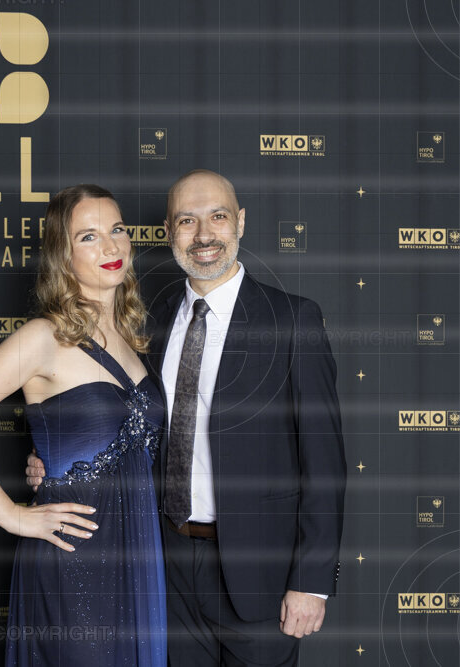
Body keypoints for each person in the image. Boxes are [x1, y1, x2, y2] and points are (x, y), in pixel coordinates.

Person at [28, 170, 346, 666]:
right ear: (168, 231)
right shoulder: (147, 321)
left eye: (218, 217)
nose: (203, 235)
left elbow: (325, 462)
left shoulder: (291, 320)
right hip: (166, 563)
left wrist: (311, 581)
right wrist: (56, 455)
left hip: (260, 574)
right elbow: (124, 418)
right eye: (186, 221)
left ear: (240, 222)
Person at [0, 184, 167, 667]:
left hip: (138, 557)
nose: (111, 246)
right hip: (74, 562)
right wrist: (11, 514)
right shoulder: (43, 337)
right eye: (88, 236)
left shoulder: (131, 337)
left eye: (117, 230)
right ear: (62, 255)